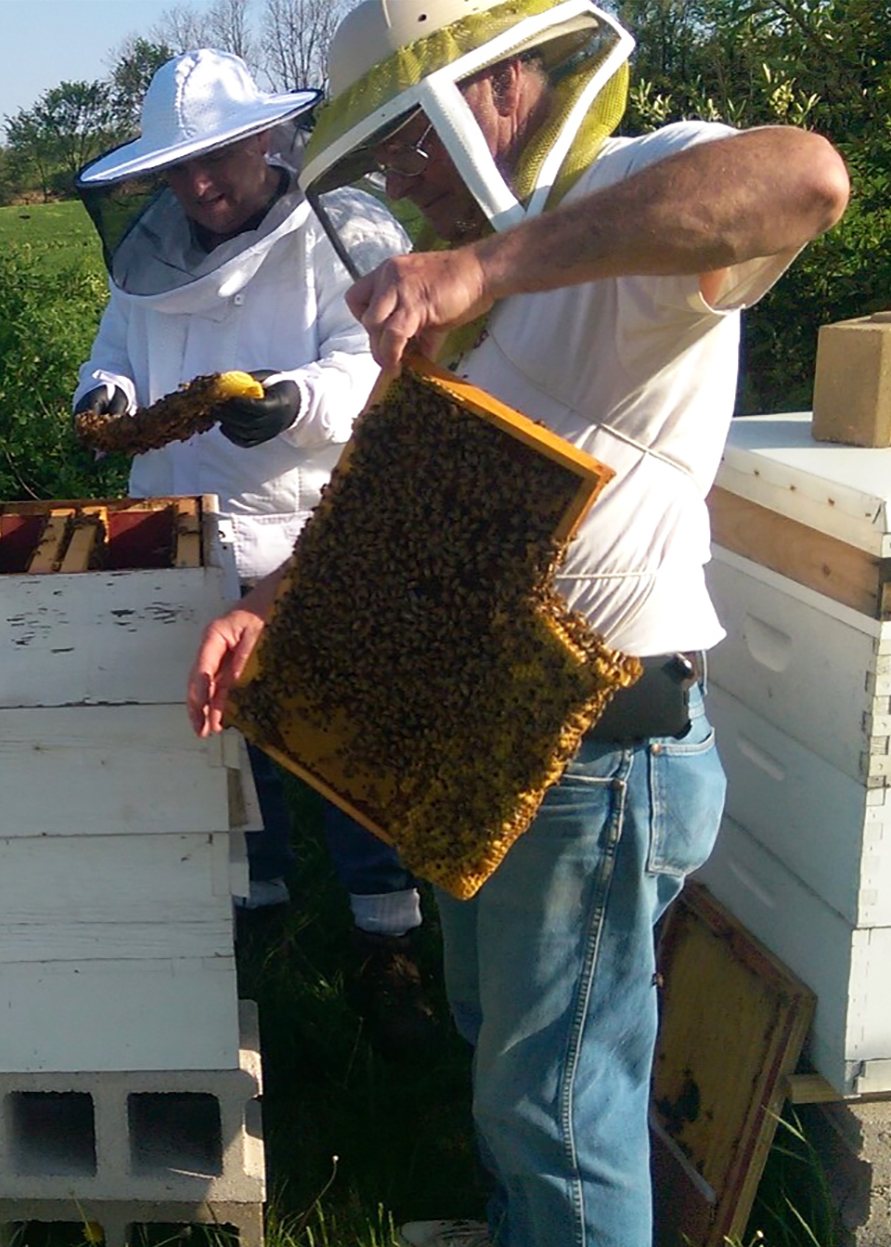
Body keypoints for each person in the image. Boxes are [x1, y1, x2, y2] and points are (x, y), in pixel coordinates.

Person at [186, 2, 850, 1244]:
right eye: (377, 155)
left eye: (410, 139)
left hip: (597, 739)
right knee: (500, 1032)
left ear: (497, 89)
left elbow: (808, 178)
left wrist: (486, 265)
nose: (398, 177)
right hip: (490, 732)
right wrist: (272, 607)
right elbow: (392, 483)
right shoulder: (472, 282)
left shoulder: (629, 186)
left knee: (558, 1090)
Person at [72, 47, 438, 1056]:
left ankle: (387, 939)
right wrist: (101, 396)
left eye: (218, 159)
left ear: (267, 140)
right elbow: (113, 351)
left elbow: (380, 367)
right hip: (183, 531)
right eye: (179, 169)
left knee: (338, 736)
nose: (198, 184)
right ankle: (260, 898)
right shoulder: (150, 250)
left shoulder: (339, 229)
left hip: (309, 529)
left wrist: (292, 401)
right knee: (222, 729)